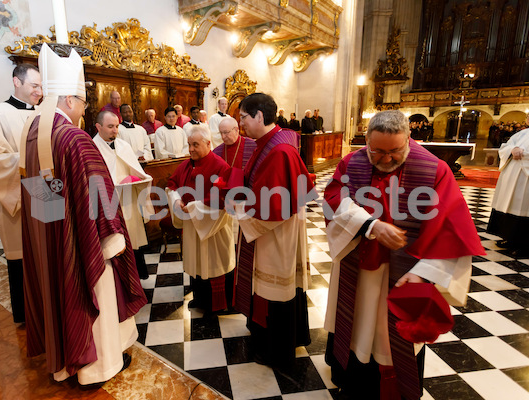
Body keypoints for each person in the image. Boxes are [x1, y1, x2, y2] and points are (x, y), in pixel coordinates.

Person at [322, 110, 485, 399]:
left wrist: (423, 272)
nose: (385, 159)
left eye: (395, 151)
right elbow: (334, 198)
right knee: (355, 327)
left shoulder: (433, 170)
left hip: (404, 274)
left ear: (409, 139)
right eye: (377, 151)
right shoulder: (352, 162)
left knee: (389, 339)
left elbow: (452, 229)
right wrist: (369, 224)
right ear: (366, 142)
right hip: (358, 268)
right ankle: (353, 386)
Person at [20, 44, 147, 386]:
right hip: (85, 238)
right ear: (70, 101)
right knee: (97, 292)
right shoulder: (74, 137)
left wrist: (56, 229)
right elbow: (99, 193)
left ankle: (65, 360)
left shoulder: (32, 133)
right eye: (82, 103)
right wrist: (112, 235)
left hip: (51, 229)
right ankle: (98, 366)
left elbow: (41, 197)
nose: (82, 111)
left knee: (61, 285)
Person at [233, 93, 314, 371]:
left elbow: (275, 207)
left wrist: (239, 207)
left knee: (274, 287)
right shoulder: (271, 142)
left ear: (258, 116)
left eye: (243, 117)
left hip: (277, 231)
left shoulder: (279, 151)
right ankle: (280, 338)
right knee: (274, 287)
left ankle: (276, 350)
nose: (240, 122)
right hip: (275, 228)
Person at [0, 62, 42, 323]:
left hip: (48, 191)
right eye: (34, 85)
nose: (39, 91)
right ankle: (27, 314)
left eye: (41, 86)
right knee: (23, 253)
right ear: (17, 82)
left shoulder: (45, 115)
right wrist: (31, 161)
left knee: (51, 248)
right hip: (18, 191)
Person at [166, 125, 234, 313]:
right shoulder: (186, 165)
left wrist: (194, 207)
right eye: (189, 145)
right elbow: (172, 185)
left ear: (208, 143)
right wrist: (177, 200)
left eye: (195, 145)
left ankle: (217, 306)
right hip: (191, 226)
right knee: (196, 263)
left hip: (213, 228)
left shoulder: (220, 166)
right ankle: (199, 298)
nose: (191, 149)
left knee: (213, 264)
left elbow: (224, 199)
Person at [93, 110, 154, 279]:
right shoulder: (92, 148)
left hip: (129, 201)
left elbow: (137, 170)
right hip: (108, 204)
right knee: (115, 243)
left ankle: (137, 279)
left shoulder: (123, 146)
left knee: (133, 239)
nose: (115, 130)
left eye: (117, 126)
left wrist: (141, 179)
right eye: (110, 126)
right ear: (98, 127)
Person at [487, 121, 529, 258]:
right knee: (508, 206)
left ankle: (523, 245)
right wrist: (511, 150)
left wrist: (524, 154)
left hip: (525, 179)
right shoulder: (522, 133)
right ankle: (509, 238)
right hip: (511, 176)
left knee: (523, 208)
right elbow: (505, 146)